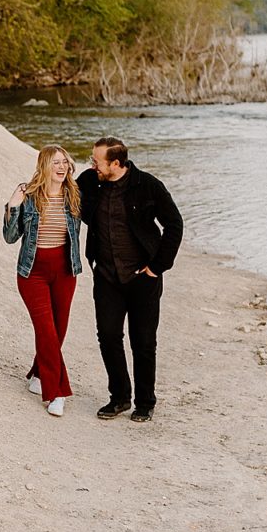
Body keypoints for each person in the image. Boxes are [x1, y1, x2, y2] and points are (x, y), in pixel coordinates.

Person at [75, 139, 184, 422]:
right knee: (108, 336)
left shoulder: (148, 185)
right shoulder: (90, 181)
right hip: (107, 277)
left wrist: (157, 267)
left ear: (116, 163)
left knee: (143, 342)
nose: (92, 165)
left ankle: (145, 402)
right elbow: (65, 194)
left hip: (143, 279)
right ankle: (120, 397)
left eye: (97, 161)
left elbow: (174, 224)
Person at [2, 146, 84, 417]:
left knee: (58, 330)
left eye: (65, 162)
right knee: (47, 331)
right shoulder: (29, 197)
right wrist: (13, 205)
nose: (62, 167)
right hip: (33, 274)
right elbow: (10, 237)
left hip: (65, 272)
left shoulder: (74, 195)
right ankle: (56, 391)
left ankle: (38, 375)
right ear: (44, 166)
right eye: (56, 162)